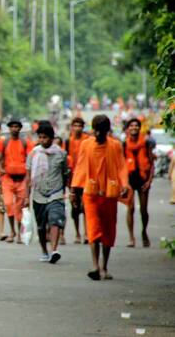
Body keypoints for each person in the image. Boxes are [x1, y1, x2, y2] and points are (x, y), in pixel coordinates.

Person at [72, 115, 128, 281]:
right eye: (95, 130)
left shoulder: (115, 146)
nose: (97, 134)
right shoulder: (86, 145)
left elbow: (121, 166)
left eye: (101, 131)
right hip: (91, 193)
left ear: (107, 131)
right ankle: (95, 265)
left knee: (108, 230)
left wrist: (124, 185)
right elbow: (81, 166)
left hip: (109, 194)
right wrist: (74, 190)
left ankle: (104, 267)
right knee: (93, 228)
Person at [27, 122, 68, 263]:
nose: (43, 140)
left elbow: (65, 173)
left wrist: (67, 190)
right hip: (38, 194)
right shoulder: (33, 154)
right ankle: (44, 251)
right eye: (40, 137)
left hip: (55, 193)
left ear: (52, 138)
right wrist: (26, 197)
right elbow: (28, 177)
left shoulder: (61, 154)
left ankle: (54, 250)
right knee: (41, 225)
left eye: (45, 137)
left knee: (55, 219)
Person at [123, 118, 155, 247]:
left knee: (143, 210)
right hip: (130, 179)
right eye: (131, 126)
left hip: (143, 179)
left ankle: (144, 232)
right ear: (128, 128)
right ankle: (131, 237)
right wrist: (124, 183)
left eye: (136, 125)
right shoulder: (124, 144)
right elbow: (121, 165)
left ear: (139, 128)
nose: (134, 127)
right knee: (130, 208)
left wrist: (149, 181)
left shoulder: (146, 143)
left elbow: (152, 164)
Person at [0, 119, 29, 243]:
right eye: (12, 127)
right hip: (8, 179)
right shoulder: (5, 142)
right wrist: (1, 170)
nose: (14, 129)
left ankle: (20, 234)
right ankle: (12, 231)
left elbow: (29, 159)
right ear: (9, 129)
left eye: (17, 126)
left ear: (20, 128)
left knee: (19, 208)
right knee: (9, 204)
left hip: (22, 179)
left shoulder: (24, 142)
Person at [66, 117, 91, 244]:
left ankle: (87, 233)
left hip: (85, 177)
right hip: (72, 178)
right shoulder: (68, 141)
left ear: (83, 127)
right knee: (74, 207)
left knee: (86, 206)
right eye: (75, 125)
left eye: (80, 126)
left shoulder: (87, 140)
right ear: (72, 127)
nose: (77, 128)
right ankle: (77, 233)